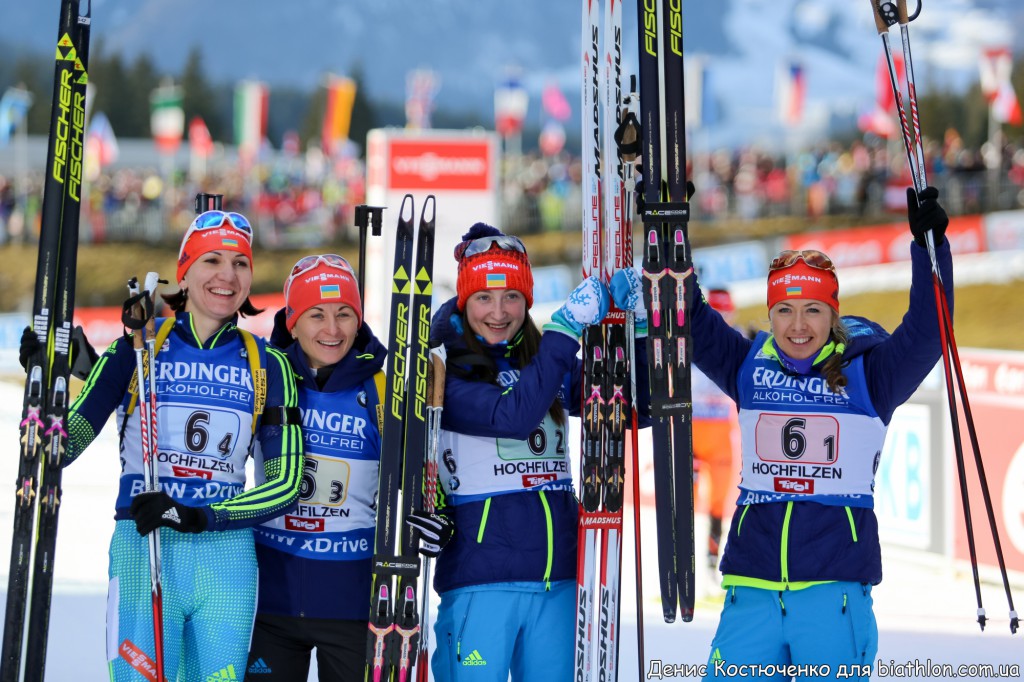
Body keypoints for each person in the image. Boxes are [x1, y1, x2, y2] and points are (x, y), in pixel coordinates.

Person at [690, 187, 952, 680]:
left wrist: (929, 249)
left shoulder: (870, 375)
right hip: (752, 591)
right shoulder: (747, 367)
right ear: (769, 316)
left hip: (833, 596)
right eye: (784, 310)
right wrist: (671, 239)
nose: (798, 325)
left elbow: (928, 333)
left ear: (833, 315)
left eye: (813, 309)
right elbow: (694, 322)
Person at [63, 209, 304, 681]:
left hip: (226, 558)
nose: (227, 275)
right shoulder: (136, 348)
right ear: (184, 273)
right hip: (144, 547)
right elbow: (64, 444)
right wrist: (47, 389)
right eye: (212, 260)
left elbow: (287, 483)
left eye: (240, 264)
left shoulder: (270, 365)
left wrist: (201, 516)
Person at [427, 223, 647, 681]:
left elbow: (632, 409)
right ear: (465, 300)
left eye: (512, 296)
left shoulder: (543, 363)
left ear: (526, 299)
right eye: (484, 297)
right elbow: (514, 416)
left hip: (560, 581)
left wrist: (638, 331)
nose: (499, 311)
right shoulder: (446, 371)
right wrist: (565, 328)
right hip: (481, 581)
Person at [245, 254, 452, 680]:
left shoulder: (382, 385)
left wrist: (440, 516)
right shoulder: (265, 376)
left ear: (359, 320)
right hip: (268, 602)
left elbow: (422, 467)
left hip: (355, 603)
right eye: (316, 314)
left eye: (344, 314)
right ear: (292, 321)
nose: (333, 329)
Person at [692, 288, 740, 573]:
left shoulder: (737, 345)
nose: (724, 321)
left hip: (721, 435)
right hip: (694, 435)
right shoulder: (693, 343)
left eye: (727, 315)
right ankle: (681, 563)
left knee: (720, 503)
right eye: (718, 315)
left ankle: (712, 561)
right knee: (686, 502)